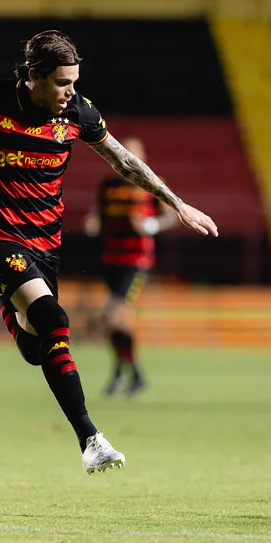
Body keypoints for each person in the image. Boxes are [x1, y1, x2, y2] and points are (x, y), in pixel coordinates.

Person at [0, 30, 218, 473]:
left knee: (35, 348)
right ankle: (91, 438)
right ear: (34, 77)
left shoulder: (79, 113)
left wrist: (176, 203)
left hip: (45, 245)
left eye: (75, 81)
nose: (71, 91)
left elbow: (124, 161)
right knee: (53, 319)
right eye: (63, 82)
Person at [84, 137, 176, 396]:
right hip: (112, 257)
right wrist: (93, 222)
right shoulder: (109, 183)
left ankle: (124, 373)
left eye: (135, 154)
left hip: (136, 261)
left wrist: (150, 226)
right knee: (116, 321)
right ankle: (130, 374)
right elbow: (99, 213)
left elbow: (171, 215)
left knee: (112, 314)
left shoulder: (151, 183)